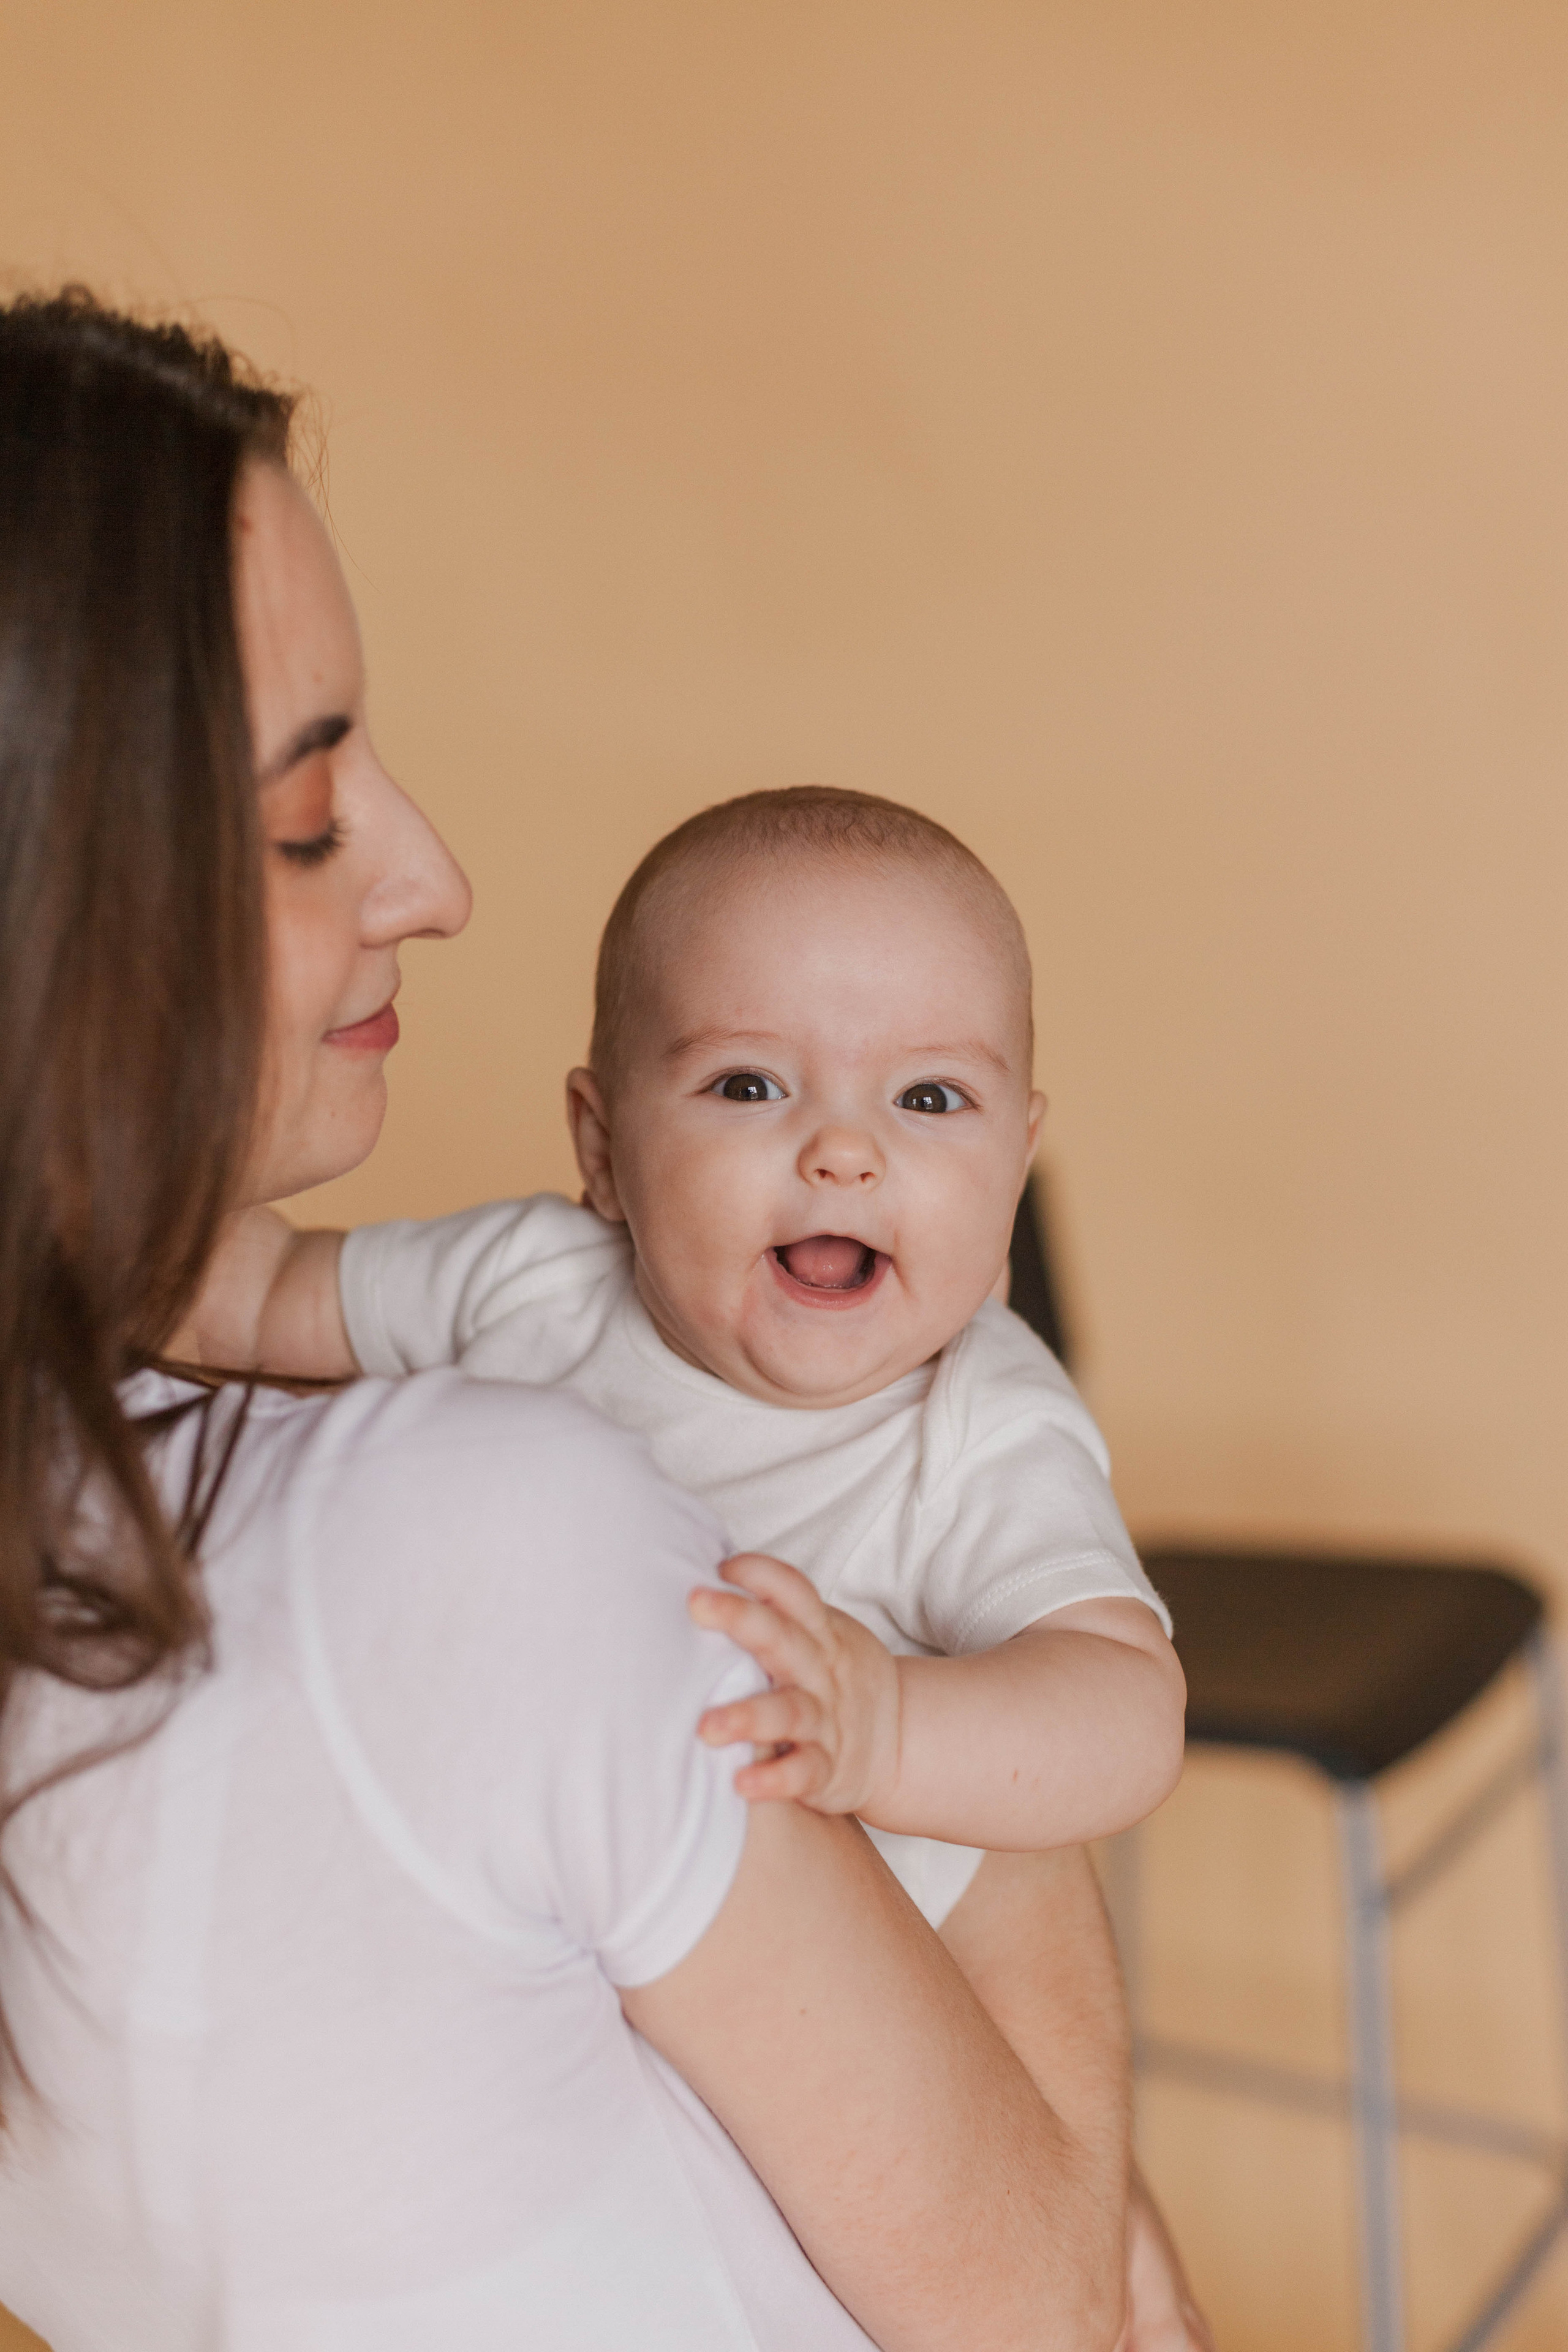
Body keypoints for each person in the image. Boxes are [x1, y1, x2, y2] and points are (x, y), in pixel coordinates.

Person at [0, 289, 1129, 2351]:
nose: (431, 877)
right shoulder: (489, 1481)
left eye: (935, 1103)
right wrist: (925, 1777)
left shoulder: (982, 1421)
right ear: (599, 1147)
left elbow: (218, 1292)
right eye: (305, 816)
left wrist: (910, 1721)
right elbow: (1045, 2300)